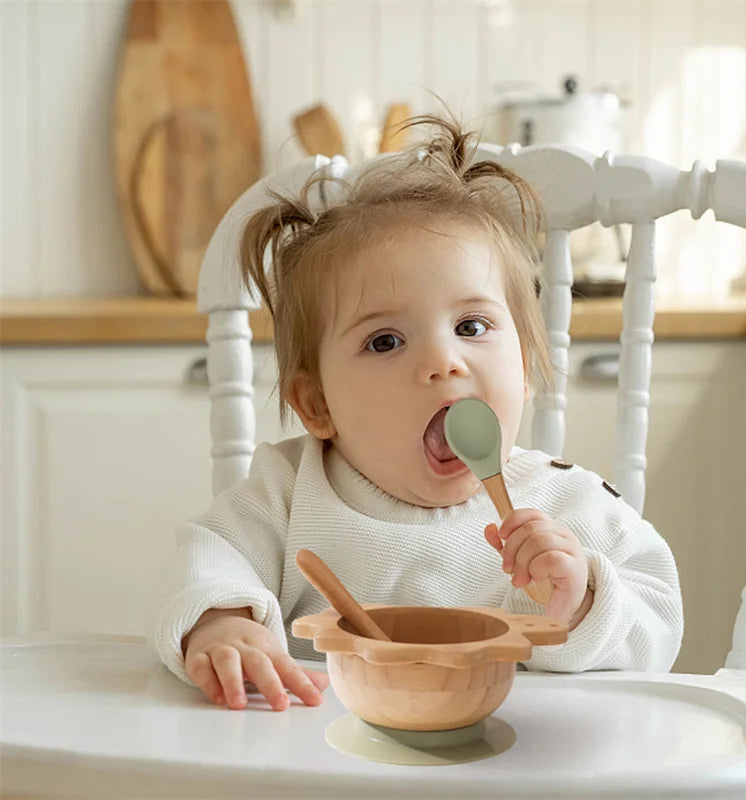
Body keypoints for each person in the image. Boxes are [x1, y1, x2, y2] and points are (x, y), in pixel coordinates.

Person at [148, 116, 683, 712]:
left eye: (472, 327)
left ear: (526, 367)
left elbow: (659, 630)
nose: (442, 362)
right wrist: (223, 621)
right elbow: (205, 560)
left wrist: (585, 598)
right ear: (318, 404)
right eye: (384, 341)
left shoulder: (572, 509)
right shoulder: (287, 495)